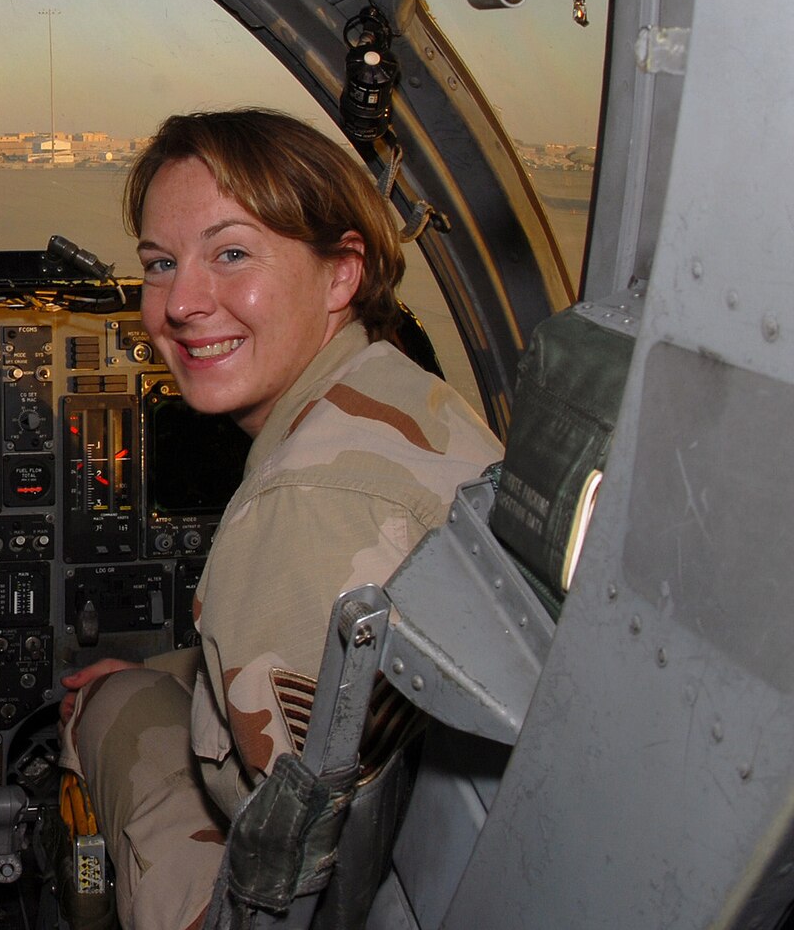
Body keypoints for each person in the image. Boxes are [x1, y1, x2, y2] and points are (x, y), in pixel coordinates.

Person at [57, 109, 502, 930]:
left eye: (231, 253)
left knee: (102, 710)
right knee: (139, 682)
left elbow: (288, 881)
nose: (182, 303)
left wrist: (122, 693)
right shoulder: (410, 400)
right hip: (436, 864)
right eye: (161, 263)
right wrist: (161, 670)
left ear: (341, 274)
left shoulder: (299, 505)